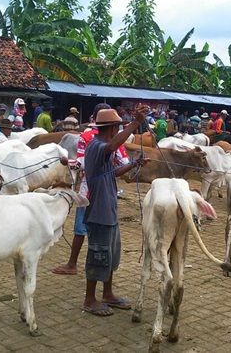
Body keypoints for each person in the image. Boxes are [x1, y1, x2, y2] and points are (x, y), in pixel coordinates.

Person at [82, 105, 149, 316]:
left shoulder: (104, 147)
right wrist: (136, 124)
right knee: (97, 254)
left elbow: (114, 172)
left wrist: (135, 164)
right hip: (99, 212)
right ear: (112, 128)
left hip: (109, 209)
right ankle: (89, 299)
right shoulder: (97, 146)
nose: (117, 131)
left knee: (110, 254)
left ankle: (108, 294)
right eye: (117, 127)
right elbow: (112, 147)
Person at [52, 103, 130, 277]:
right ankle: (84, 272)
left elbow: (81, 163)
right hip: (97, 192)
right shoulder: (105, 142)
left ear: (94, 119)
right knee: (94, 235)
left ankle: (73, 264)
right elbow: (121, 163)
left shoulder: (89, 137)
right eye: (116, 125)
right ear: (112, 126)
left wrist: (70, 163)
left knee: (82, 230)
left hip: (92, 189)